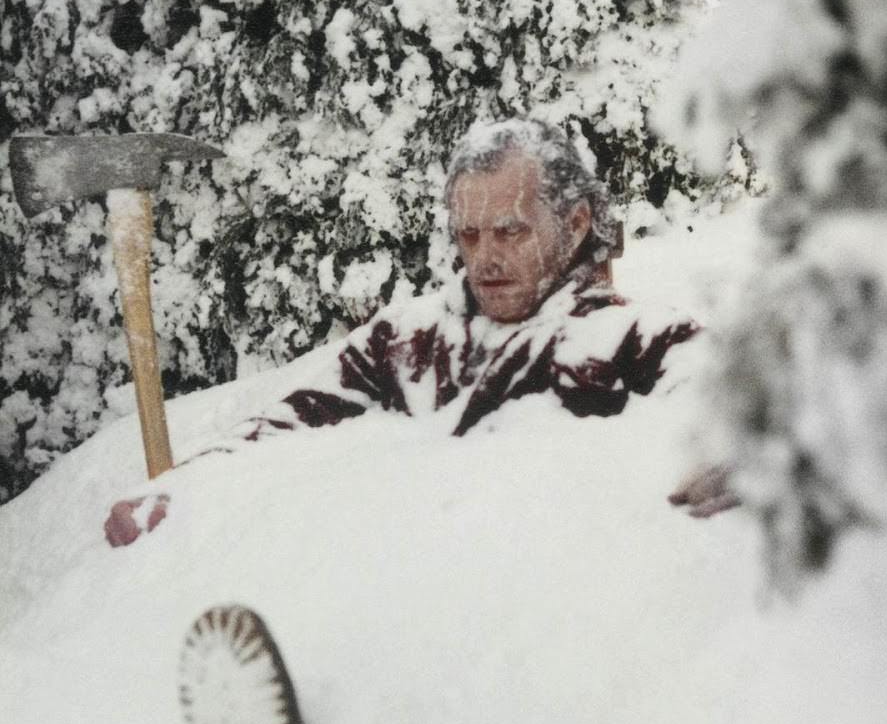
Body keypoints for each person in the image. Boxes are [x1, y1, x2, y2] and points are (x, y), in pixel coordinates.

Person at [105, 116, 734, 548]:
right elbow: (287, 424)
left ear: (572, 227)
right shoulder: (406, 340)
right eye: (468, 236)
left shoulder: (635, 337)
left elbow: (733, 398)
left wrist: (734, 454)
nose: (484, 258)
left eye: (510, 232)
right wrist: (185, 490)